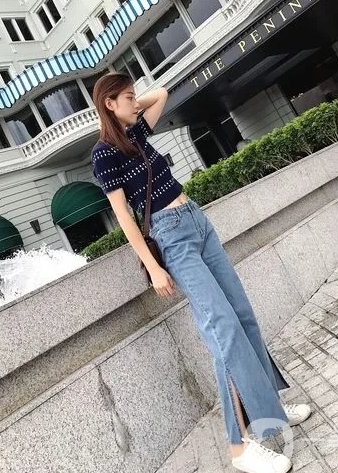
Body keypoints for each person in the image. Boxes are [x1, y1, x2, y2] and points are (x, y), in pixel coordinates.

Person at [91, 71, 312, 473]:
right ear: (109, 103)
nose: (136, 102)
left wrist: (132, 106)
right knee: (223, 329)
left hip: (196, 220)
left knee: (242, 315)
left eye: (134, 96)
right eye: (127, 97)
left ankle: (271, 410)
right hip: (170, 237)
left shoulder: (135, 132)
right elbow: (123, 216)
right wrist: (154, 267)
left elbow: (162, 93)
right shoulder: (104, 154)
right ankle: (239, 447)